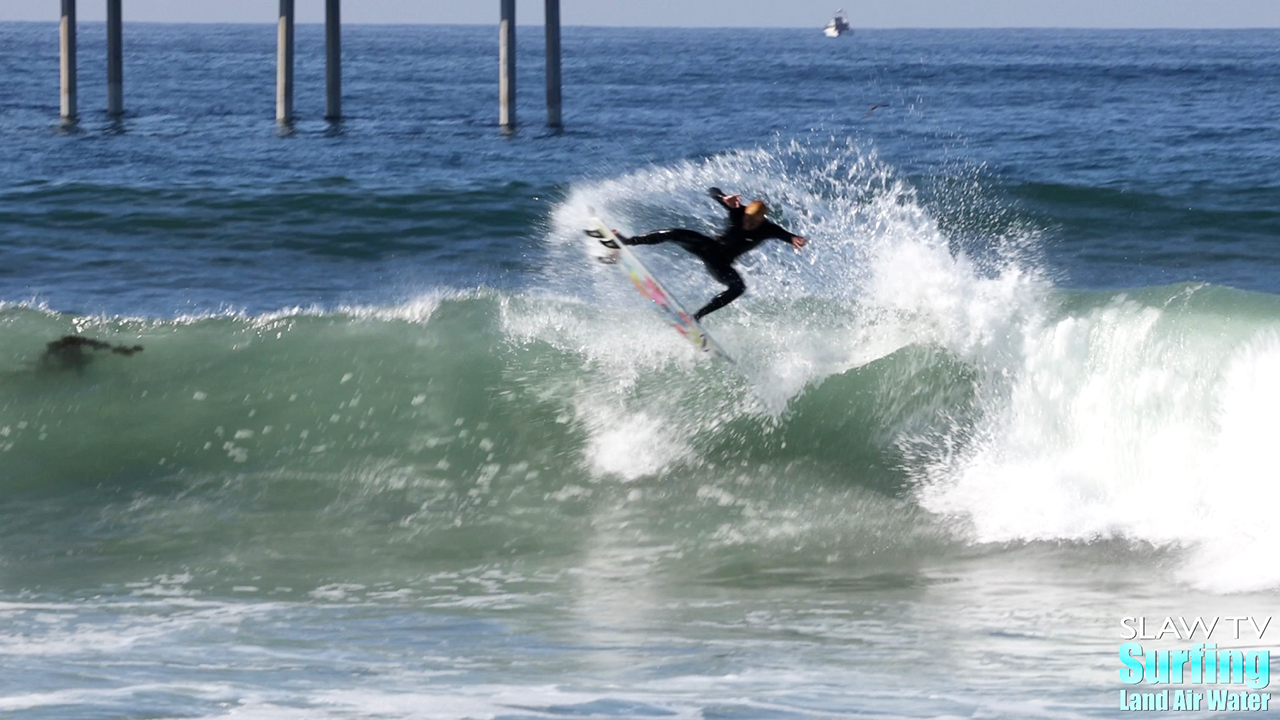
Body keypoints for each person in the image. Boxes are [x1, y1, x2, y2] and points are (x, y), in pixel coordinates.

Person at [600, 187, 807, 321]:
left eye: (752, 223)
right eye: (746, 219)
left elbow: (786, 235)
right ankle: (626, 241)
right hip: (709, 248)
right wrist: (723, 197)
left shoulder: (767, 228)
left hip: (722, 265)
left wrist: (794, 239)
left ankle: (697, 316)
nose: (746, 223)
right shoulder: (738, 210)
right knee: (676, 233)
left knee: (738, 287)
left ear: (761, 221)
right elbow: (712, 191)